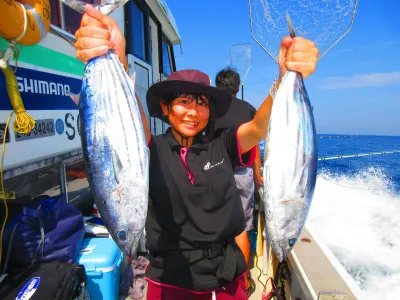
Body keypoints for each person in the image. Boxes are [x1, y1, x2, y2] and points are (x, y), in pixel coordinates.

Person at [75, 5, 319, 299]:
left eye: (201, 102)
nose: (193, 111)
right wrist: (118, 59)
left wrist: (284, 79)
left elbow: (257, 127)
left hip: (228, 276)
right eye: (184, 101)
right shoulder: (153, 149)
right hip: (171, 281)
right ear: (165, 108)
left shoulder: (223, 143)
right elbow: (128, 126)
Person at [214, 66, 262, 296]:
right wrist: (259, 173)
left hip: (212, 174)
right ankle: (242, 279)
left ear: (217, 85)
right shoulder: (249, 109)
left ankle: (216, 271)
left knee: (215, 224)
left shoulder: (209, 108)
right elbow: (255, 145)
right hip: (242, 173)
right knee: (242, 228)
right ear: (237, 86)